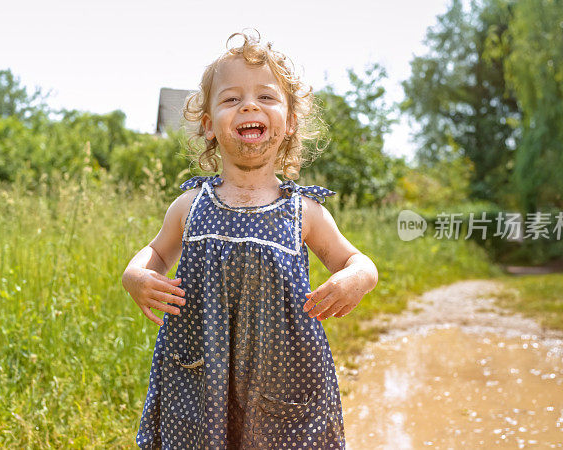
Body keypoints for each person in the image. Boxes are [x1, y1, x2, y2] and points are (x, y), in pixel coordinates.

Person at [121, 29, 378, 449]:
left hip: (282, 380)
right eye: (231, 98)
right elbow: (155, 252)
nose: (249, 105)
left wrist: (358, 278)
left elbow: (358, 261)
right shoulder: (190, 205)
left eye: (266, 96)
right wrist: (136, 274)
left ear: (290, 121)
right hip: (199, 378)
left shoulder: (305, 212)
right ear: (208, 125)